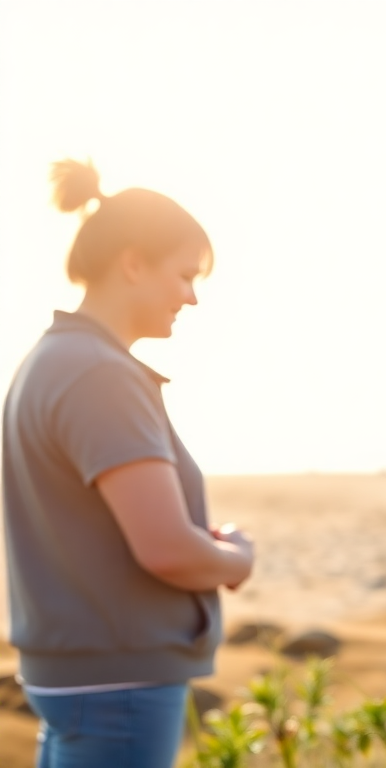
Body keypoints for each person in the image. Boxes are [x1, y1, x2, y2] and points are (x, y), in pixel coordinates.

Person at [2, 159, 255, 768]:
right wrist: (233, 558)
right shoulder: (99, 376)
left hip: (79, 679)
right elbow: (165, 548)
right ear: (133, 261)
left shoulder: (53, 361)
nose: (192, 297)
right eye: (185, 275)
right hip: (119, 685)